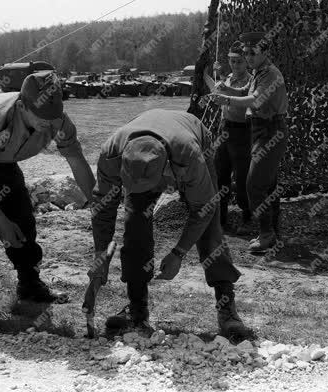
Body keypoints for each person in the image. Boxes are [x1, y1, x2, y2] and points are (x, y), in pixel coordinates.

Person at [0, 71, 95, 332]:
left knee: (23, 220)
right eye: (42, 119)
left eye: (54, 118)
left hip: (4, 161)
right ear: (22, 107)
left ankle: (30, 285)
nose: (49, 125)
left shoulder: (57, 120)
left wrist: (99, 205)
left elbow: (77, 162)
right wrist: (1, 222)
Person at [91, 108, 247, 337]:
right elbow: (103, 207)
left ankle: (227, 309)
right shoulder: (111, 154)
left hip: (191, 136)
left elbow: (203, 209)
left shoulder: (190, 156)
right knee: (135, 225)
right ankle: (136, 310)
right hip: (150, 143)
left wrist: (179, 253)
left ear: (165, 172)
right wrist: (100, 253)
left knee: (210, 229)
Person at [211, 31, 288, 254]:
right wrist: (227, 89)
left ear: (265, 52)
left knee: (254, 185)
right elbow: (245, 91)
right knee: (268, 184)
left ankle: (266, 234)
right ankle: (272, 230)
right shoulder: (259, 72)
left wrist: (226, 99)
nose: (248, 57)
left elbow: (255, 101)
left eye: (252, 53)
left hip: (271, 131)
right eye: (246, 53)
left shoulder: (270, 74)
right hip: (260, 130)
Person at [215, 41, 254, 235]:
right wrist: (219, 84)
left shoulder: (250, 80)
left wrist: (224, 90)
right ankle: (221, 218)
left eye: (239, 61)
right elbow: (222, 93)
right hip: (224, 129)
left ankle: (248, 217)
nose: (235, 65)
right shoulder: (228, 77)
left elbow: (244, 94)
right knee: (220, 173)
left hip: (241, 131)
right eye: (232, 61)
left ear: (246, 62)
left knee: (242, 177)